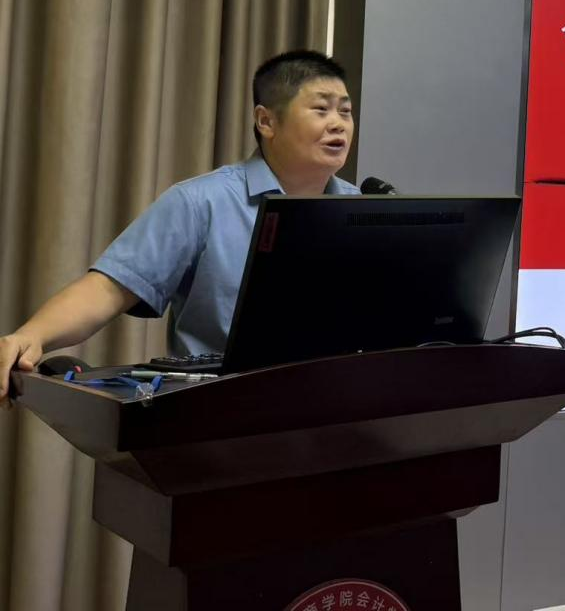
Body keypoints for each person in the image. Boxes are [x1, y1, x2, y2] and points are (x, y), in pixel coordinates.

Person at [0, 50, 358, 407]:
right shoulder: (202, 201)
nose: (338, 124)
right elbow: (108, 289)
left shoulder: (362, 207)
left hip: (340, 410)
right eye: (321, 109)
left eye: (345, 111)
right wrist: (32, 335)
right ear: (266, 121)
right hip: (221, 412)